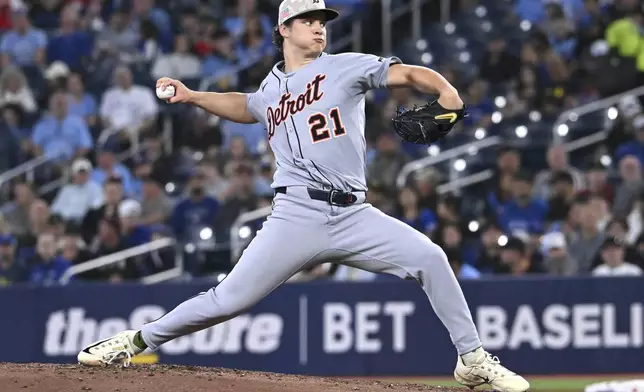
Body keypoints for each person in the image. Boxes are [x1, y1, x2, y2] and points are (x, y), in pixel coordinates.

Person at [76, 1, 529, 391]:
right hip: (296, 213)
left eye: (323, 20)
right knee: (229, 299)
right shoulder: (271, 89)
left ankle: (472, 361)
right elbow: (247, 105)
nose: (319, 26)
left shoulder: (344, 65)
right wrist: (194, 96)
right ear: (284, 30)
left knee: (431, 259)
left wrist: (445, 89)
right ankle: (134, 342)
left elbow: (407, 72)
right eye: (309, 19)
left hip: (355, 213)